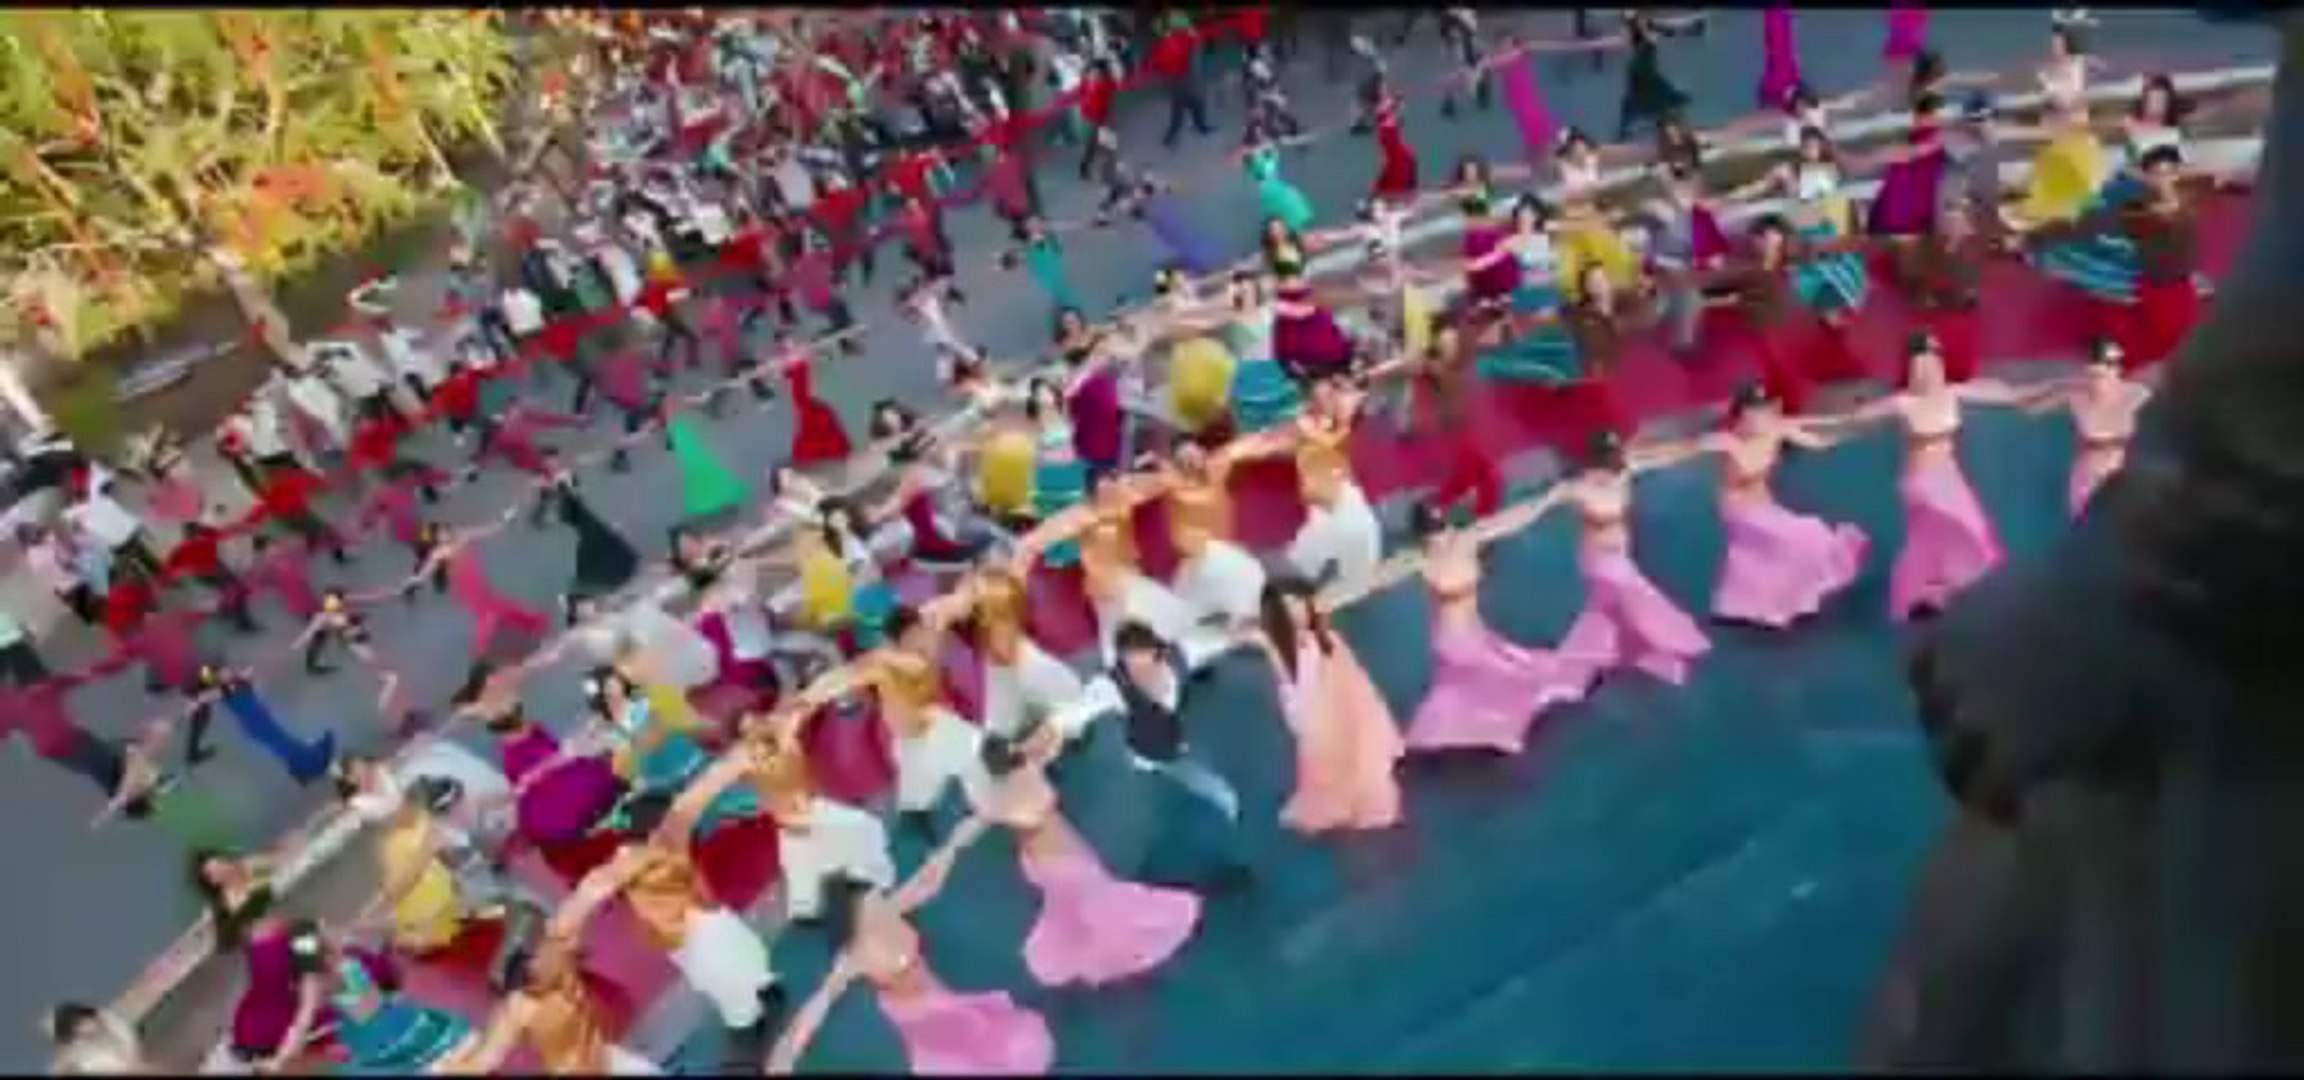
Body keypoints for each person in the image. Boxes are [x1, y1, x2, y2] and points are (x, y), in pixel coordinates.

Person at [957, 730, 1204, 986]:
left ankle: (1101, 946)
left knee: (1083, 892)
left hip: (1058, 857)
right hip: (1057, 860)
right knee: (1083, 892)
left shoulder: (1019, 792)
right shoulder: (1024, 789)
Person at [764, 867, 1054, 1076]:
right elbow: (791, 1046)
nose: (888, 926)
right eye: (873, 925)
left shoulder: (893, 915)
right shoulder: (856, 970)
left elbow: (928, 880)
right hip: (928, 1029)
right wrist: (832, 987)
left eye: (885, 911)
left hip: (960, 1012)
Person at [1395, 503, 1593, 755]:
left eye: (1443, 527)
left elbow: (1508, 522)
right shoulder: (1420, 562)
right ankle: (1492, 728)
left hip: (1477, 632)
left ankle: (1498, 721)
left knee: (1517, 671)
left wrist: (1547, 501)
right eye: (1433, 531)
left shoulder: (1465, 543)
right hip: (1452, 640)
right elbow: (1373, 580)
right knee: (1491, 677)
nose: (1442, 535)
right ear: (1422, 537)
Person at [1553, 432, 1713, 685]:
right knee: (1637, 599)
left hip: (1620, 556)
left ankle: (1603, 656)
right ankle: (1645, 649)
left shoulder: (1623, 474)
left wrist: (1694, 446)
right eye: (1601, 468)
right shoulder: (1576, 489)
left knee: (1609, 610)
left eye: (1611, 466)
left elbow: (1660, 457)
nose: (1607, 474)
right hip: (1599, 562)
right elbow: (1536, 507)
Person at [1253, 575, 1404, 834]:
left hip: (1334, 715)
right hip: (1309, 718)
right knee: (1325, 773)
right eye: (1286, 606)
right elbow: (1290, 691)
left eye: (1298, 603)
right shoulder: (1280, 647)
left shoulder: (1326, 639)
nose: (1295, 612)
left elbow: (1355, 683)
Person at [2030, 337, 2151, 517]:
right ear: (2092, 368)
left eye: (2116, 363)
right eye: (2108, 363)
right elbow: (2033, 407)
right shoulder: (2075, 396)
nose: (2114, 369)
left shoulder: (2136, 394)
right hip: (2088, 478)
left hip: (2119, 476)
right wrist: (2059, 386)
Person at [46, 1002, 148, 1075]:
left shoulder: (111, 1020)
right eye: (77, 1028)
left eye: (81, 1023)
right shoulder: (78, 1051)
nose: (84, 1029)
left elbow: (133, 1053)